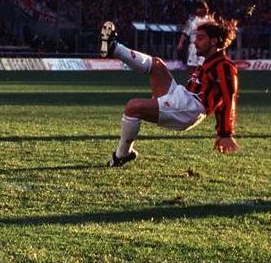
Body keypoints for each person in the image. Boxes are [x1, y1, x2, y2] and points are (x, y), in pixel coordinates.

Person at [100, 18, 240, 167]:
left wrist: (225, 133)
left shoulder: (224, 66)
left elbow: (228, 98)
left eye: (200, 38)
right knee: (157, 64)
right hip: (183, 96)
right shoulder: (210, 61)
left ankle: (121, 155)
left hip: (190, 107)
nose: (194, 42)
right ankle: (114, 47)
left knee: (133, 107)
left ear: (213, 41)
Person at [176, 0, 214, 73]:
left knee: (203, 67)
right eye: (198, 8)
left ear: (205, 9)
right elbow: (185, 32)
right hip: (193, 47)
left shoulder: (209, 21)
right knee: (192, 67)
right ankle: (191, 83)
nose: (199, 10)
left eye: (201, 8)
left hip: (205, 47)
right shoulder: (191, 20)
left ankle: (202, 82)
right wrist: (180, 43)